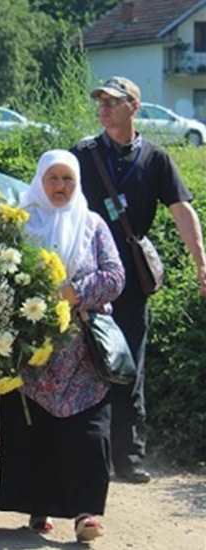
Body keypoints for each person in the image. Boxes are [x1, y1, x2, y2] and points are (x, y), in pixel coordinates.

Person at [71, 77, 206, 484]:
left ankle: (128, 458)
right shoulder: (82, 153)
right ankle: (86, 452)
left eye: (113, 102)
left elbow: (182, 211)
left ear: (134, 106)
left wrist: (202, 263)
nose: (104, 108)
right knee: (82, 365)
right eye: (101, 102)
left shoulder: (156, 159)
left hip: (130, 282)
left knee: (129, 365)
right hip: (85, 279)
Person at [0, 150, 124, 543]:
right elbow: (0, 270)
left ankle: (87, 512)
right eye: (53, 178)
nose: (60, 186)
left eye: (68, 179)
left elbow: (115, 276)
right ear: (39, 180)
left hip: (82, 350)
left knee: (87, 431)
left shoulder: (93, 223)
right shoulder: (22, 223)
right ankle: (40, 505)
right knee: (39, 429)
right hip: (33, 350)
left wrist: (76, 292)